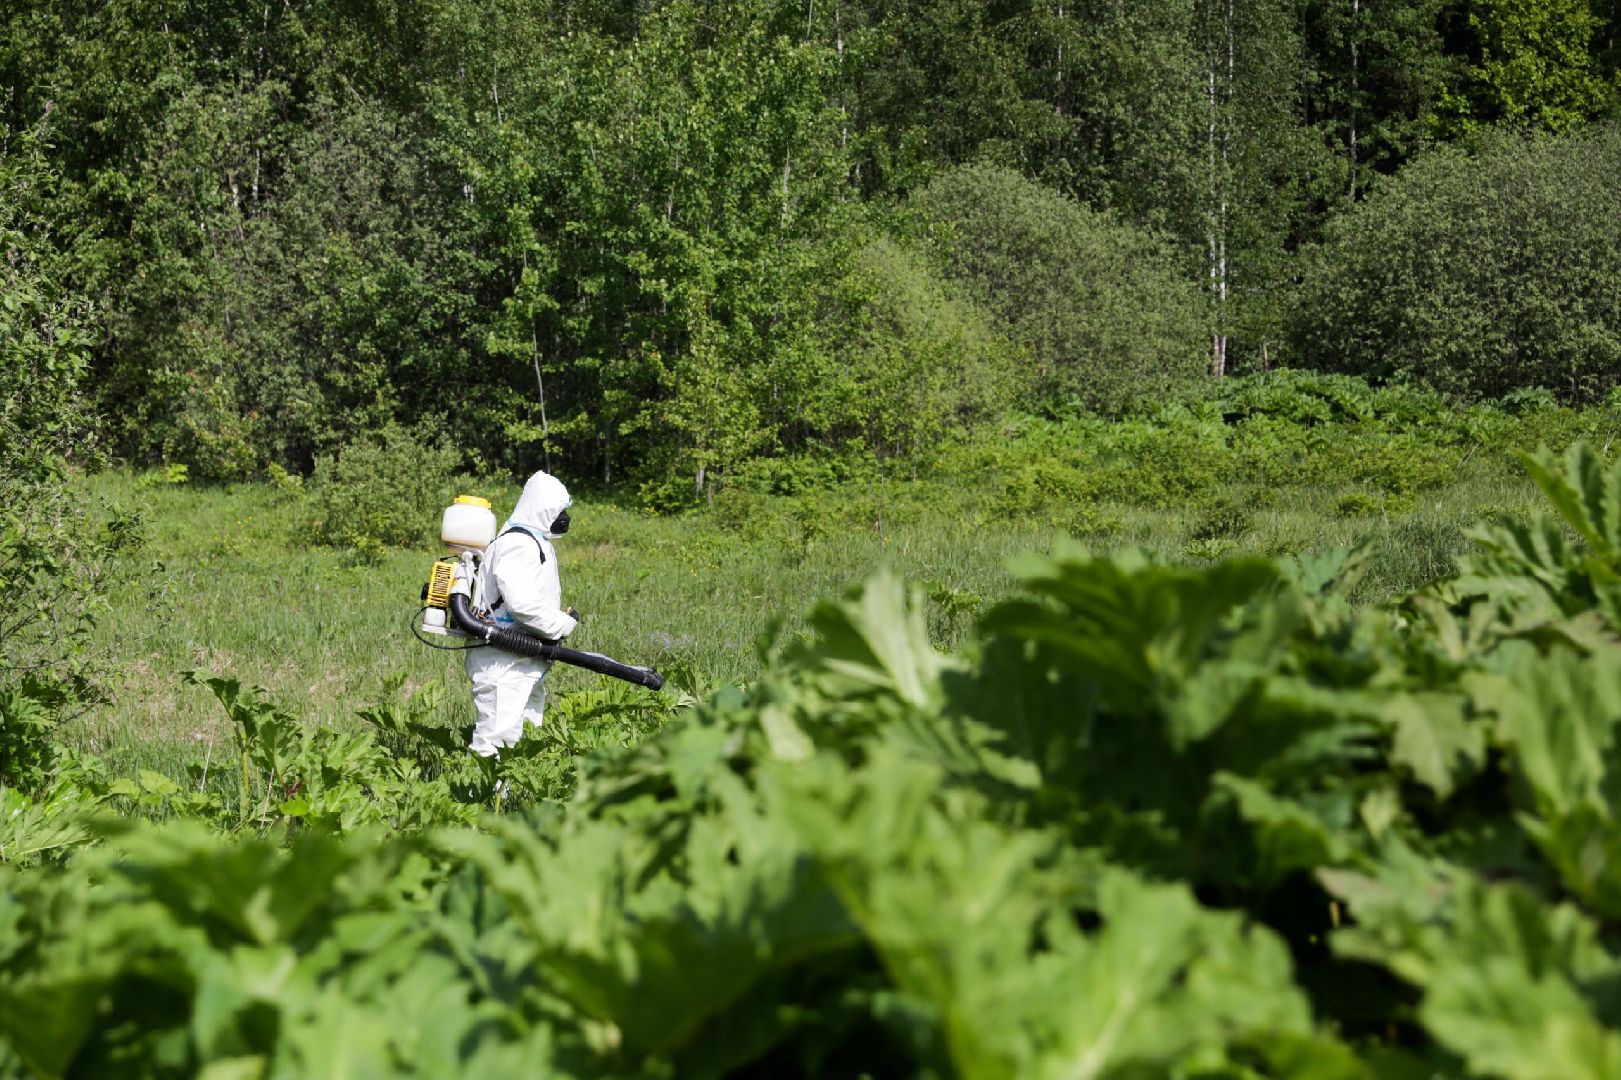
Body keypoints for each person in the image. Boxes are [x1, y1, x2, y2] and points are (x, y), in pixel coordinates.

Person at [465, 470, 579, 756]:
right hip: (504, 660)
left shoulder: (534, 540)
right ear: (543, 509)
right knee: (496, 739)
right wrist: (563, 624)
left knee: (522, 736)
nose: (564, 518)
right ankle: (483, 799)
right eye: (560, 511)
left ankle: (512, 799)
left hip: (523, 659)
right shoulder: (518, 544)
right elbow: (523, 606)